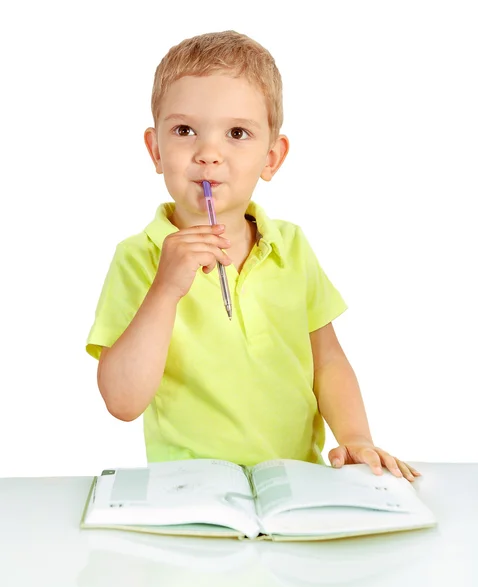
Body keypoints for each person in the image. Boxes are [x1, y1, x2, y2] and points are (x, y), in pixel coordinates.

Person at [86, 30, 420, 482]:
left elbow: (329, 362)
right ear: (155, 149)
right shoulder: (138, 257)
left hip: (296, 481)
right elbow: (122, 403)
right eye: (185, 130)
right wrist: (165, 289)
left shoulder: (293, 247)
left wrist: (356, 436)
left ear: (272, 157)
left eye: (237, 133)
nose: (208, 154)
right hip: (191, 488)